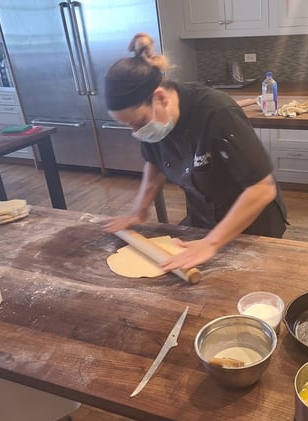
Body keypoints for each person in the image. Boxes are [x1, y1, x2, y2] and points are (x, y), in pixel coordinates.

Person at [102, 33, 287, 272]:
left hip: (252, 225)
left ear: (160, 98)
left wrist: (212, 243)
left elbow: (262, 188)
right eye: (129, 126)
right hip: (203, 222)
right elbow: (155, 164)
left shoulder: (217, 112)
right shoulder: (154, 124)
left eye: (138, 122)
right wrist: (139, 210)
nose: (136, 132)